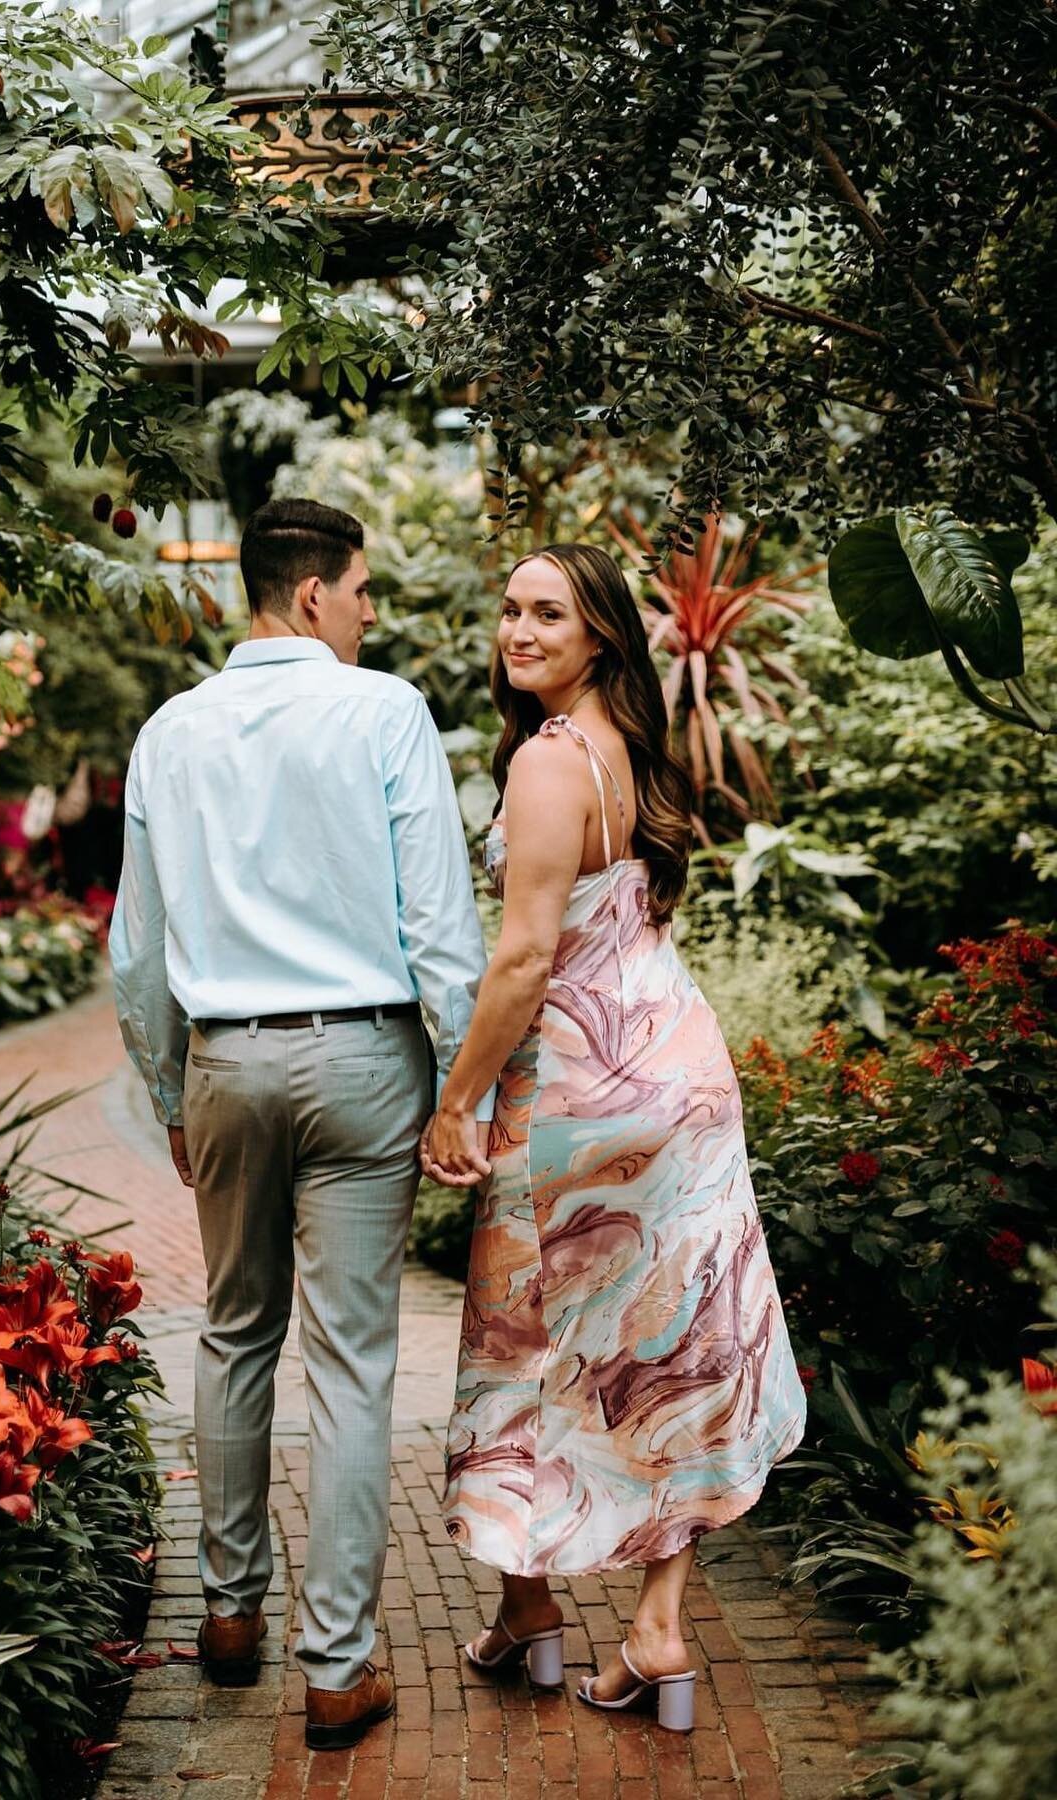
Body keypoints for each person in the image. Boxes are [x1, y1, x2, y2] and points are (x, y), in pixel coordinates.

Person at [110, 497, 491, 1750]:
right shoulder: (381, 711)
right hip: (365, 1060)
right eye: (365, 591)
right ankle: (337, 1670)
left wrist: (173, 1092)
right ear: (315, 594)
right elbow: (440, 925)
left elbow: (137, 951)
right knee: (352, 1362)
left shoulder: (169, 731)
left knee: (233, 1331)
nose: (374, 613)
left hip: (225, 1060)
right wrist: (461, 1084)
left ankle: (227, 1616)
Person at [423, 543, 806, 1731]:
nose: (519, 629)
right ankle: (648, 1628)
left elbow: (528, 957)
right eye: (511, 608)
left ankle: (533, 1609)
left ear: (601, 641)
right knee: (671, 1352)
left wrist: (456, 1100)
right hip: (680, 1077)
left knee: (523, 1338)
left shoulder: (548, 764)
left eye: (551, 614)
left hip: (582, 1099)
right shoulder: (634, 752)